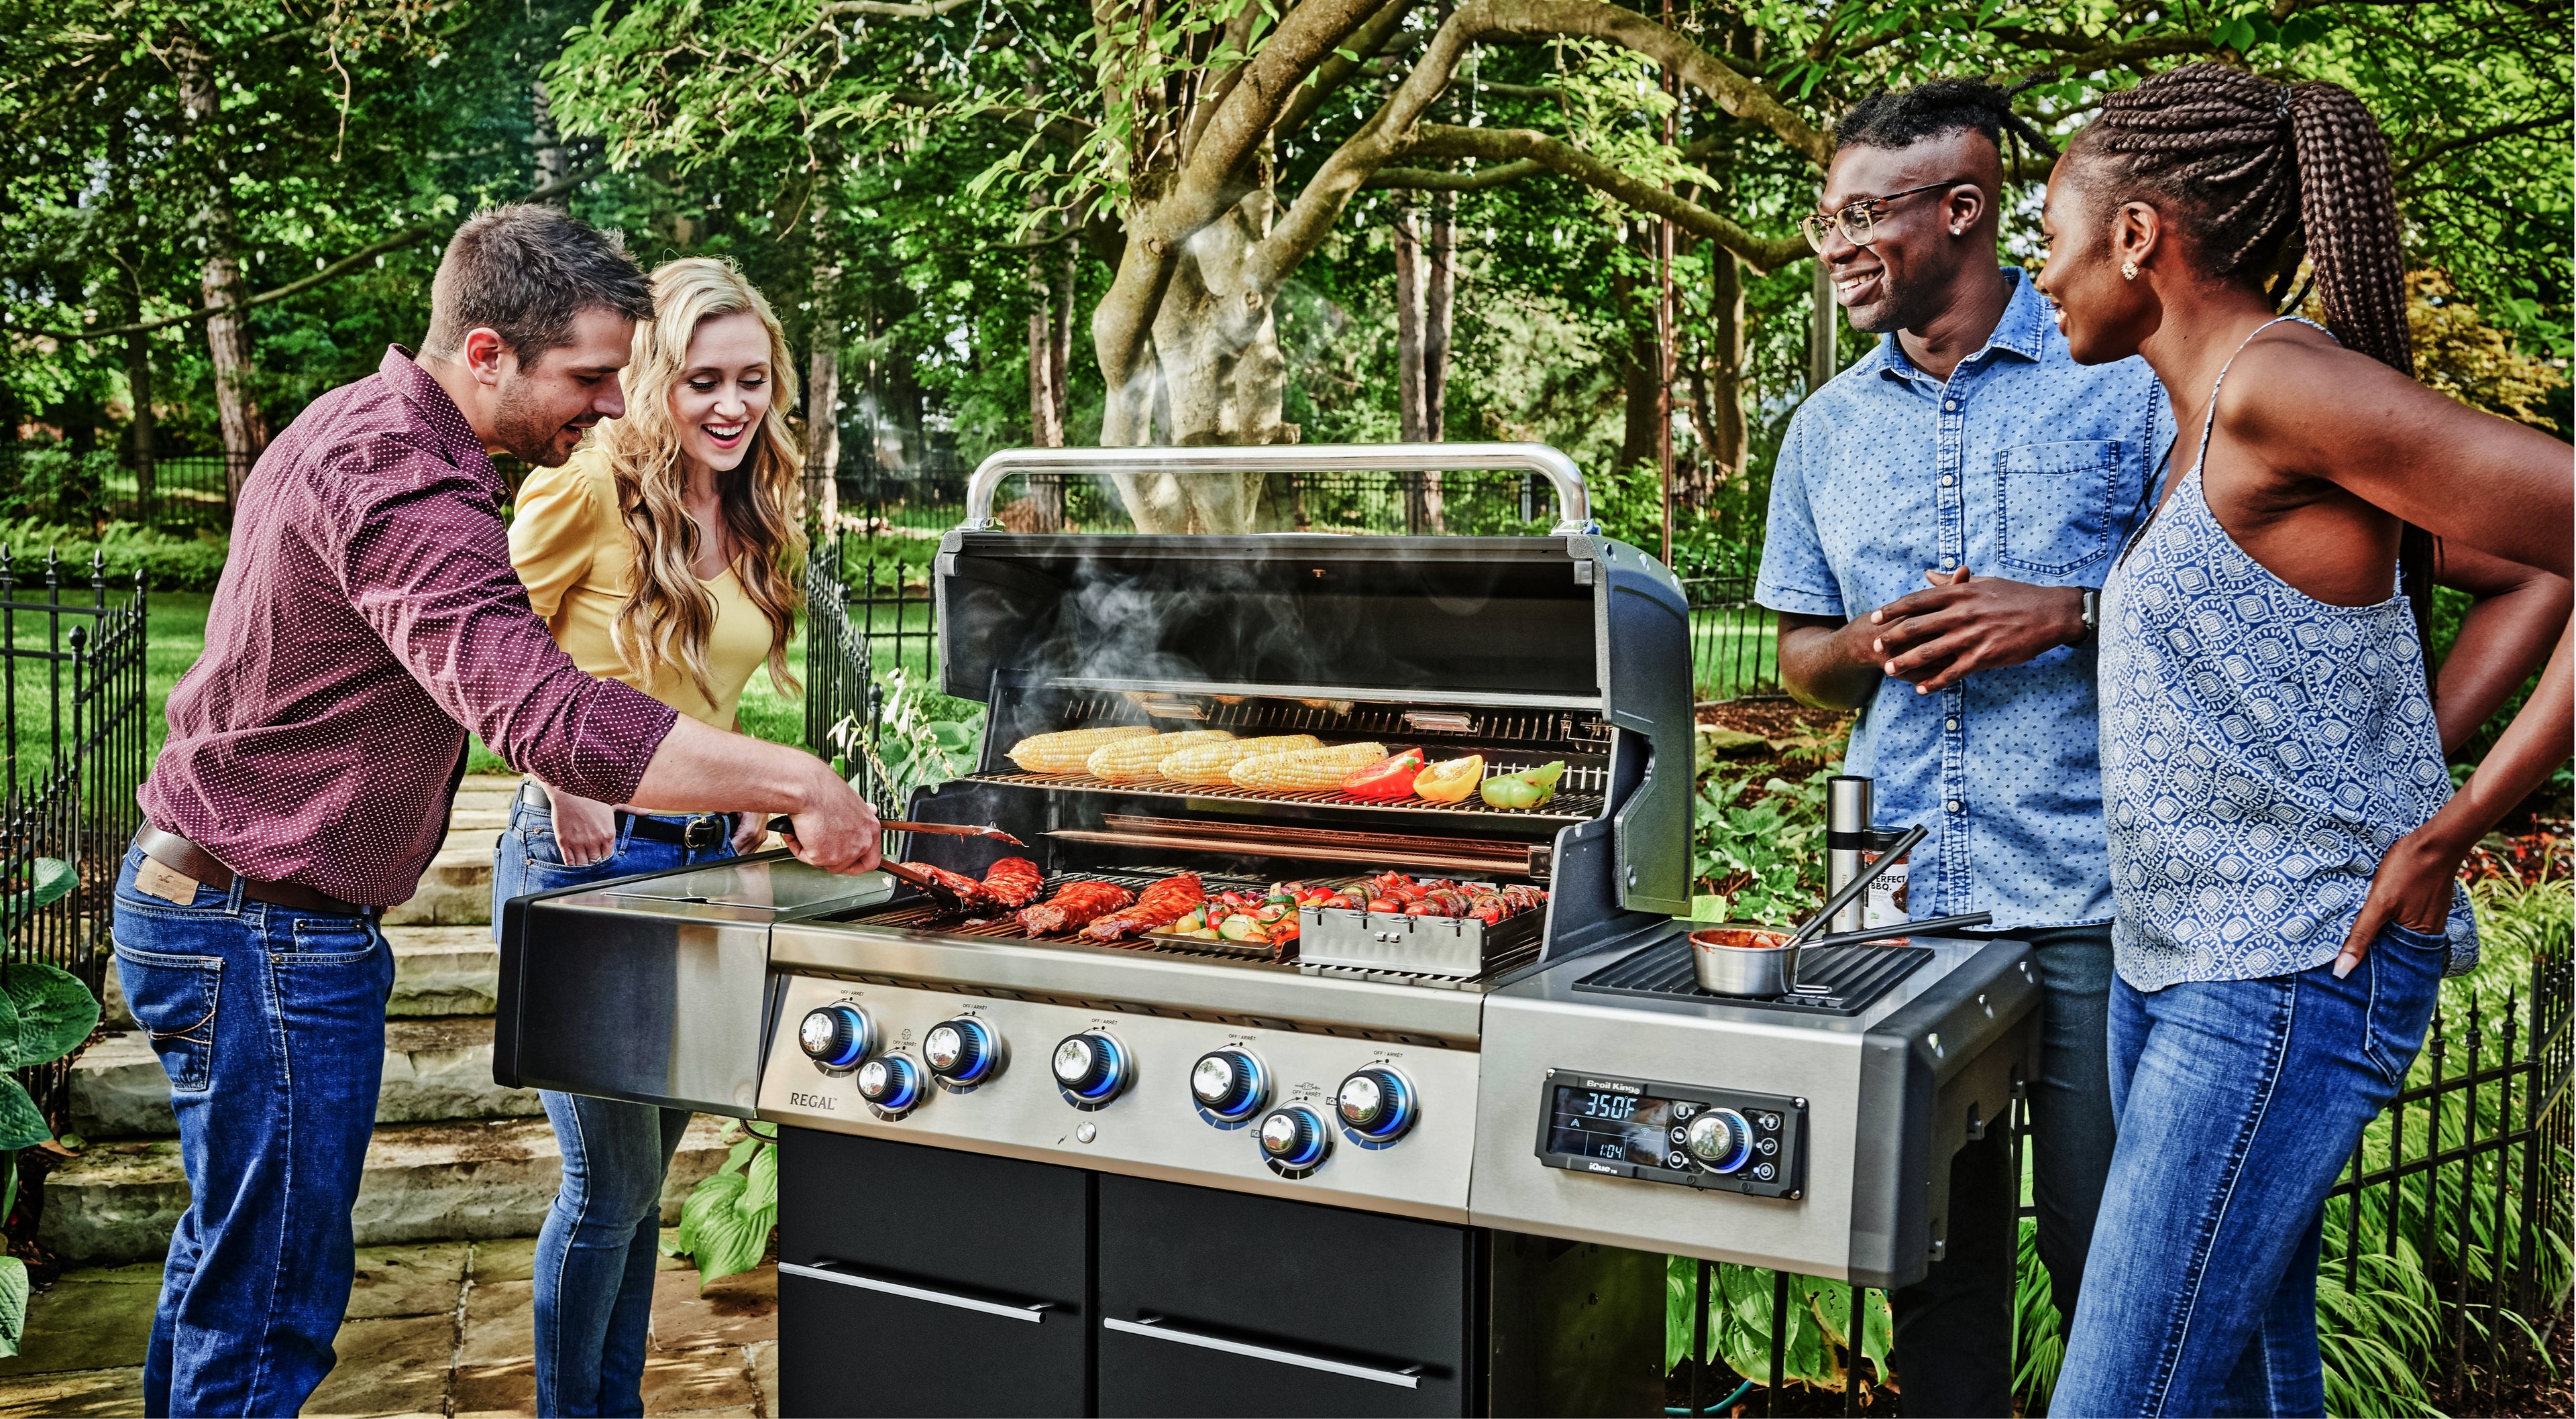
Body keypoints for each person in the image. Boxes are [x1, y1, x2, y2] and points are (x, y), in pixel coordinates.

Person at [114, 206, 881, 1418]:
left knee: (232, 1271)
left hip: (237, 907)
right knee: (267, 1310)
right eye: (587, 377)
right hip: (261, 928)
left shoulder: (368, 428)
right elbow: (543, 712)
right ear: (487, 353)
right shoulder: (402, 479)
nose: (613, 406)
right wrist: (797, 781)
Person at [2032, 64, 2571, 1417]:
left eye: (2048, 236)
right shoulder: (2215, 407)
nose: (2040, 275)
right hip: (2179, 959)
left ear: (2137, 235)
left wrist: (2453, 820)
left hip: (2280, 973)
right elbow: (2507, 578)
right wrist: (2397, 756)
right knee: (2241, 1390)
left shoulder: (2281, 383)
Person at [1754, 79, 2168, 1415]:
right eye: (1826, 219)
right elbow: (1798, 661)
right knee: (1931, 1260)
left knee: (2106, 1254)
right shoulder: (1823, 431)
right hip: (1900, 899)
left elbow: (2220, 607)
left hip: (2094, 891)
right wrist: (1866, 640)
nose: (1836, 245)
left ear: (1963, 210)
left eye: (1861, 216)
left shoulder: (2128, 384)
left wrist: (2066, 613)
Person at [492, 256, 806, 1416]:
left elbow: (700, 688)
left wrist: (742, 782)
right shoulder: (585, 487)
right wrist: (555, 769)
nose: (732, 405)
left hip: (702, 868)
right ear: (657, 376)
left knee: (638, 1189)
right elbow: (482, 651)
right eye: (703, 381)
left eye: (752, 380)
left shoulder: (748, 499)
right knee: (606, 1187)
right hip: (586, 864)